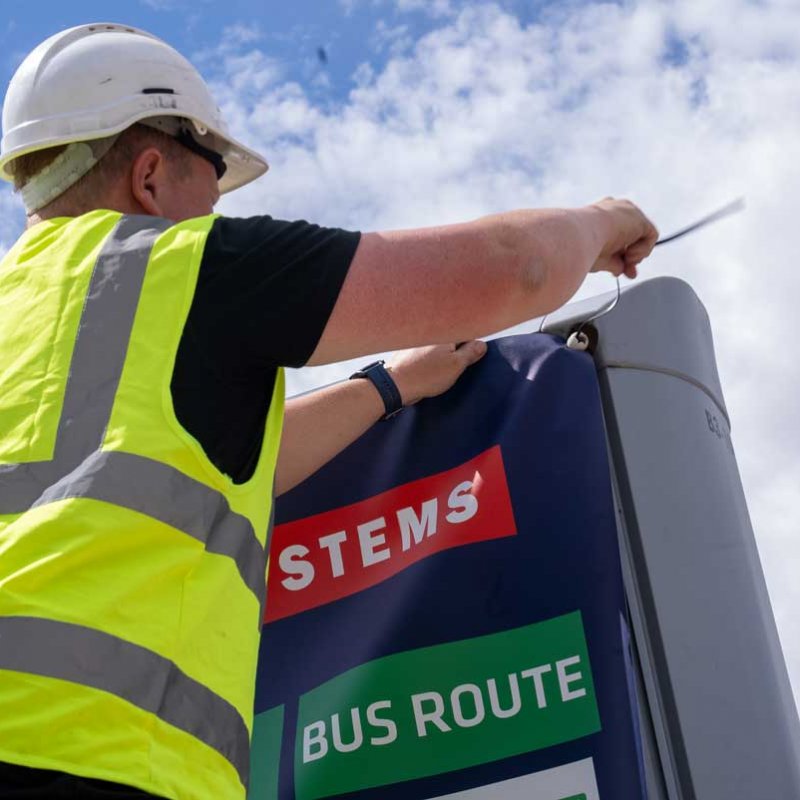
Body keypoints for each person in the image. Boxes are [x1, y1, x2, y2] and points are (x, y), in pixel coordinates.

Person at [0, 22, 658, 800]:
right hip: (96, 763)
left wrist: (390, 386)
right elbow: (521, 269)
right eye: (211, 180)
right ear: (150, 173)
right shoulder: (177, 269)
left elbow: (188, 468)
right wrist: (607, 220)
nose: (215, 211)